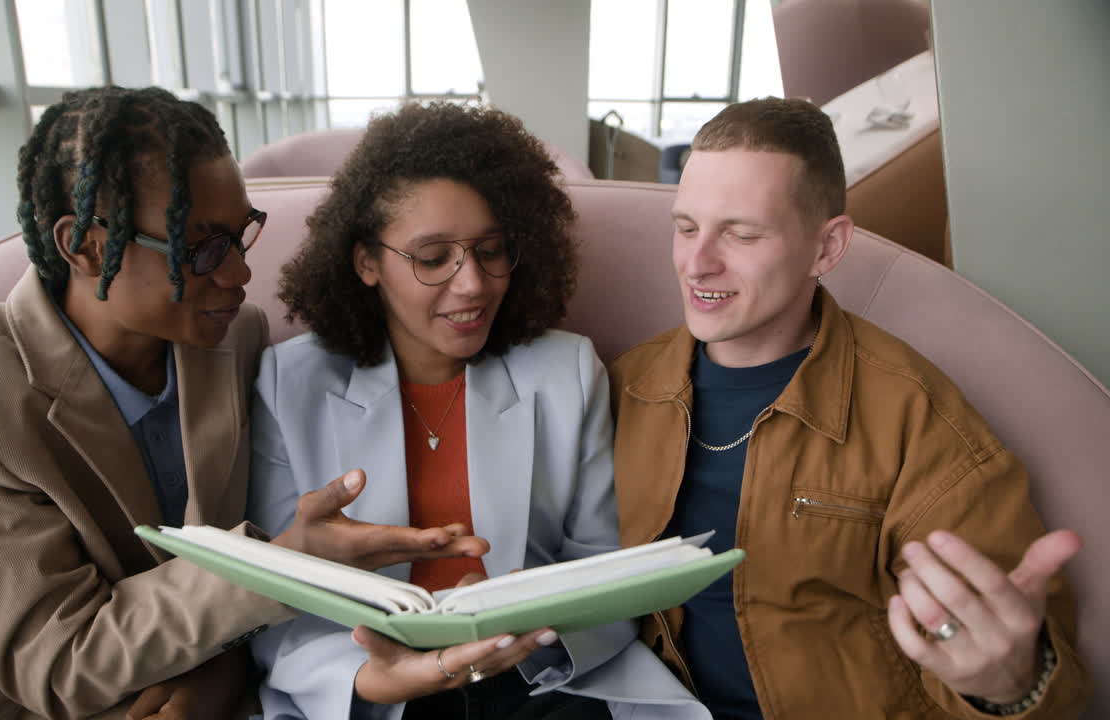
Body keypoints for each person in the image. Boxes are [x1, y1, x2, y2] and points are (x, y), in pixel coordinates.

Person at [0, 86, 486, 720]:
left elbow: (208, 587)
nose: (239, 274)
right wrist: (288, 563)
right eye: (202, 249)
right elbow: (61, 663)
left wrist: (223, 672)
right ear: (87, 247)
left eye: (241, 235)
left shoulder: (235, 339)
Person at [609, 97, 1090, 718]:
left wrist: (1009, 683)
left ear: (827, 248)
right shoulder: (627, 386)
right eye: (686, 227)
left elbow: (1042, 679)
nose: (697, 262)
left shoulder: (918, 421)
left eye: (741, 232)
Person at [246, 102, 705, 720]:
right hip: (372, 693)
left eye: (492, 250)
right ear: (366, 262)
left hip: (539, 681)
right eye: (433, 257)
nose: (474, 284)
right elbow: (274, 607)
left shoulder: (566, 372)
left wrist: (522, 632)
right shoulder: (288, 381)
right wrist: (373, 682)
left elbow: (603, 580)